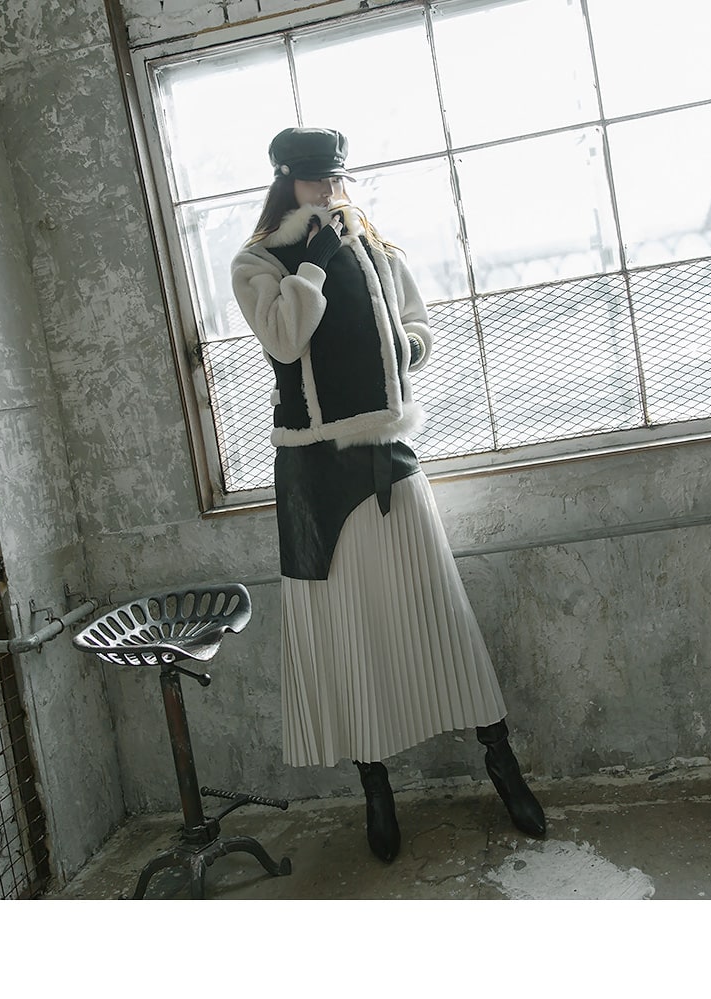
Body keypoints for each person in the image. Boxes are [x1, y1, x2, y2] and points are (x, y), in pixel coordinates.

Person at [230, 126, 545, 862]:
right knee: (348, 633)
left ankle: (501, 762)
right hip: (313, 470)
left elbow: (417, 323)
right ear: (286, 181)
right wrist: (313, 262)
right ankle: (376, 788)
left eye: (335, 177)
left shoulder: (374, 244)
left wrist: (407, 348)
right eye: (314, 179)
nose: (329, 190)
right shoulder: (258, 261)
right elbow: (284, 338)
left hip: (388, 454)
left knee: (438, 611)